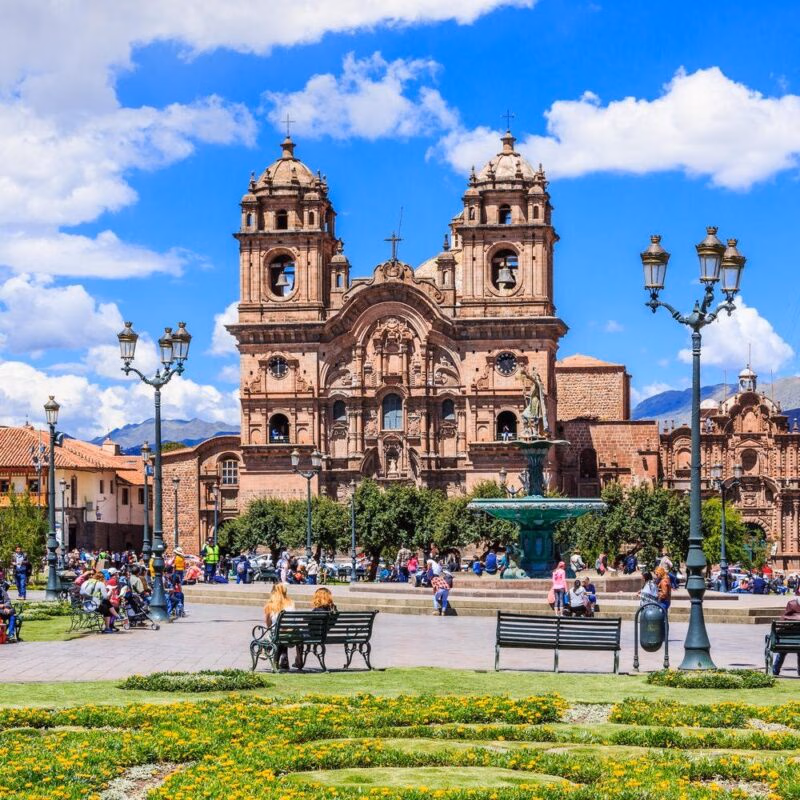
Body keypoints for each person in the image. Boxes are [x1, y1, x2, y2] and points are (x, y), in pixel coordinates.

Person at [263, 583, 300, 671]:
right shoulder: (291, 603)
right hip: (292, 636)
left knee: (274, 633)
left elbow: (268, 625)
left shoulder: (270, 604)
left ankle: (265, 649)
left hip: (278, 636)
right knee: (284, 632)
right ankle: (284, 659)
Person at [773, 597, 800, 676]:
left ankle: (775, 670)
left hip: (786, 642)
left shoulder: (792, 604)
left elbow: (782, 622)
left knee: (782, 652)